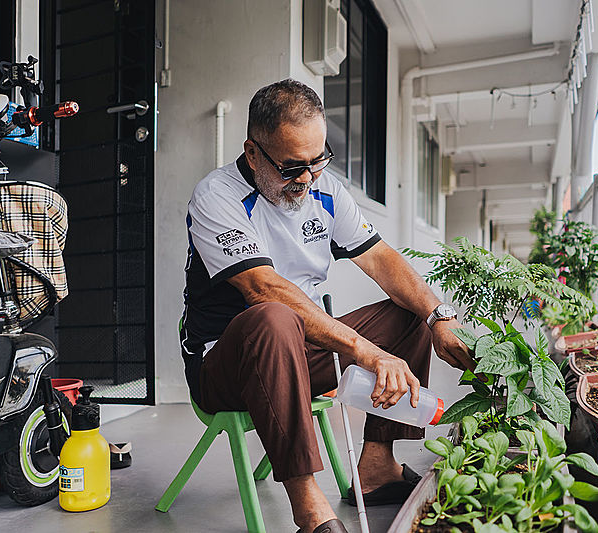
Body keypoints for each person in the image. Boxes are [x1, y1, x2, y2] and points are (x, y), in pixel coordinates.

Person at [180, 79, 475, 533]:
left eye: (318, 161)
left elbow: (381, 259)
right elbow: (264, 289)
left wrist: (440, 316)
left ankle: (376, 466)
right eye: (292, 167)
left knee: (409, 312)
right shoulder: (216, 196)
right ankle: (307, 503)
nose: (307, 178)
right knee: (274, 317)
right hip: (227, 364)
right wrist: (364, 350)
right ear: (254, 153)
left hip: (302, 353)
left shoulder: (325, 190)